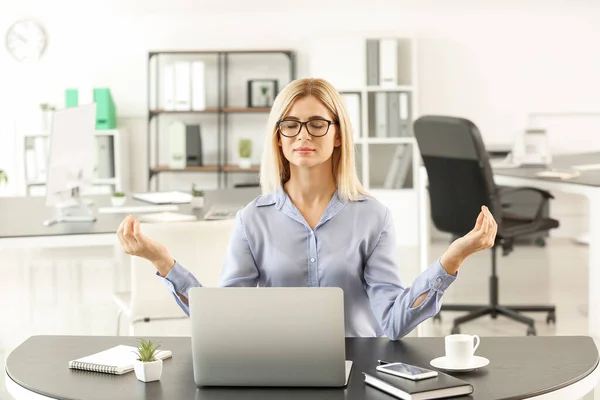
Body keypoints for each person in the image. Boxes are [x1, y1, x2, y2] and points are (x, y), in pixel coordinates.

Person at [117, 78, 497, 340]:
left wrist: (451, 258)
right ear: (278, 138)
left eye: (317, 123)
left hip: (357, 370)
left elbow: (392, 323)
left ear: (337, 134)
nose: (302, 135)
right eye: (291, 125)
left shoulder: (373, 217)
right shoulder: (253, 220)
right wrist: (163, 262)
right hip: (279, 369)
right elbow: (223, 323)